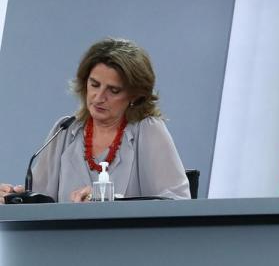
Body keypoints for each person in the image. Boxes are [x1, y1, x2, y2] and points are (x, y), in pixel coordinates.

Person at [1, 38, 190, 203]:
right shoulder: (64, 131)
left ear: (135, 95)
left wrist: (111, 200)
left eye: (113, 90)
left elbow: (177, 201)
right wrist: (13, 197)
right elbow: (38, 200)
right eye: (94, 84)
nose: (99, 97)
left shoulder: (148, 130)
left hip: (129, 242)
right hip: (64, 242)